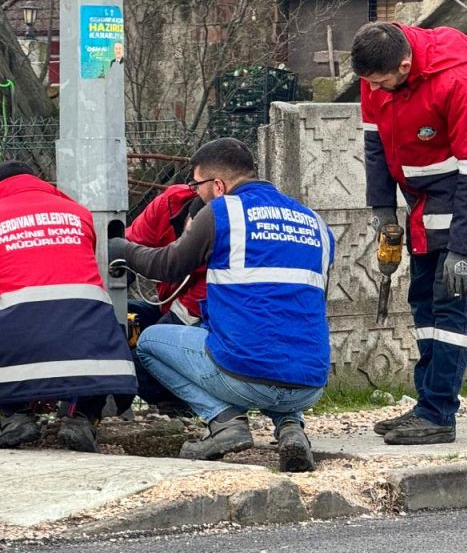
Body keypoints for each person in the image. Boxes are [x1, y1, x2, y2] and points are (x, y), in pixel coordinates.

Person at [108, 138, 334, 473]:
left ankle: (226, 423)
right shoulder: (314, 221)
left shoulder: (223, 211)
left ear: (217, 185)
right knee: (280, 340)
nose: (194, 191)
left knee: (151, 341)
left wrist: (120, 248)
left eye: (197, 184)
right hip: (310, 383)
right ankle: (290, 428)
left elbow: (167, 266)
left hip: (245, 376)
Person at [351, 21, 467, 445]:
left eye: (381, 83)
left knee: (450, 304)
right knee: (423, 301)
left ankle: (439, 415)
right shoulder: (377, 76)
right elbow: (376, 144)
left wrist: (464, 249)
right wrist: (382, 207)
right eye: (369, 84)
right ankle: (427, 405)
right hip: (420, 202)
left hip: (463, 198)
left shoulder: (460, 82)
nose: (375, 92)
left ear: (404, 64)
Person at [0, 162, 136, 452]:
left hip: (13, 338)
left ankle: (14, 415)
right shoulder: (80, 214)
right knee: (98, 329)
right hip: (88, 342)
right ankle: (81, 417)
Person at [118, 185, 207, 418]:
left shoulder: (227, 229)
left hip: (201, 316)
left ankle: (178, 404)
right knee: (120, 316)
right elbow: (132, 239)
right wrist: (120, 267)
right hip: (169, 303)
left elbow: (196, 304)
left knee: (145, 352)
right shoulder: (170, 204)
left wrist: (159, 333)